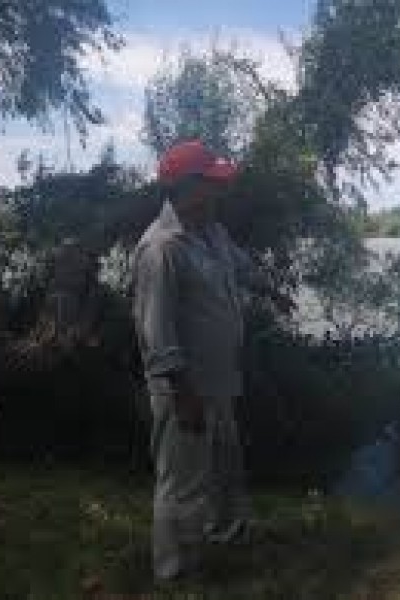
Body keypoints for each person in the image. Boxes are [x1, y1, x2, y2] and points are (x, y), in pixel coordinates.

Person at [132, 140, 281, 582]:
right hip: (186, 389)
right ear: (185, 186)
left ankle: (226, 539)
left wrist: (270, 288)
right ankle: (175, 573)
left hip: (220, 381)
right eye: (211, 182)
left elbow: (242, 267)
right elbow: (155, 330)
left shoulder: (211, 232)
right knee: (182, 483)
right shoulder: (161, 248)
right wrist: (183, 393)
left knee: (223, 468)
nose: (220, 190)